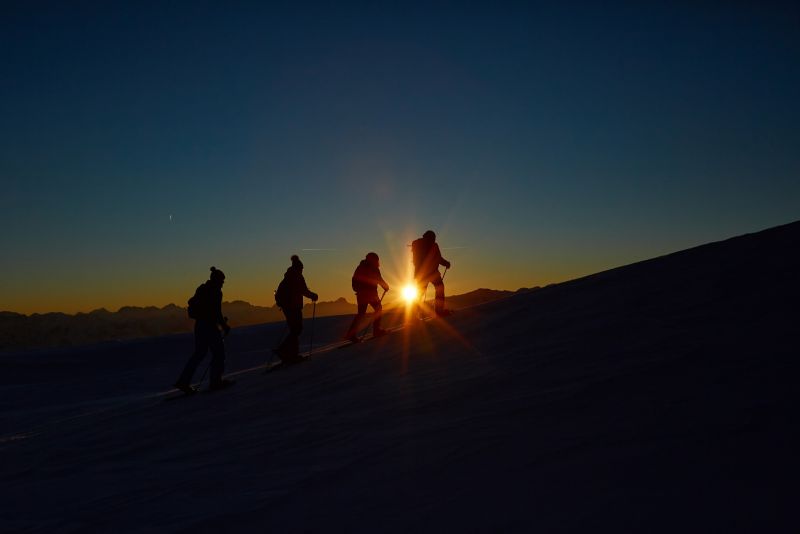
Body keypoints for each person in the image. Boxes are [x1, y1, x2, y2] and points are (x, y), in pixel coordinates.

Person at [175, 266, 233, 394]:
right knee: (219, 353)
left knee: (199, 354)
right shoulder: (216, 292)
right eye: (222, 281)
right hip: (210, 327)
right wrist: (224, 325)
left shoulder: (202, 288)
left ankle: (183, 382)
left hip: (200, 326)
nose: (223, 284)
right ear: (217, 280)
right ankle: (215, 382)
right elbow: (216, 312)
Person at [274, 255, 318, 363]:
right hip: (293, 307)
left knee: (295, 330)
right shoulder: (296, 276)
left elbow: (300, 290)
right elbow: (303, 290)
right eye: (301, 269)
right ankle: (285, 351)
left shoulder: (289, 276)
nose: (302, 270)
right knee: (296, 329)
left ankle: (290, 353)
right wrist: (313, 296)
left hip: (287, 307)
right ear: (298, 268)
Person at [344, 252, 390, 343]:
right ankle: (376, 330)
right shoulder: (374, 268)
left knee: (361, 314)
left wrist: (357, 289)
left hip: (361, 294)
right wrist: (385, 286)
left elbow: (354, 280)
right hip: (371, 293)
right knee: (378, 309)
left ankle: (351, 334)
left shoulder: (360, 267)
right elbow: (379, 279)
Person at [411, 230, 452, 316]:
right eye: (433, 238)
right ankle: (439, 311)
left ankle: (413, 316)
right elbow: (438, 258)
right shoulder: (433, 245)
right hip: (433, 273)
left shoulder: (418, 245)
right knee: (439, 288)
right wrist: (446, 264)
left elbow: (416, 261)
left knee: (420, 294)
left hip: (421, 274)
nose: (434, 240)